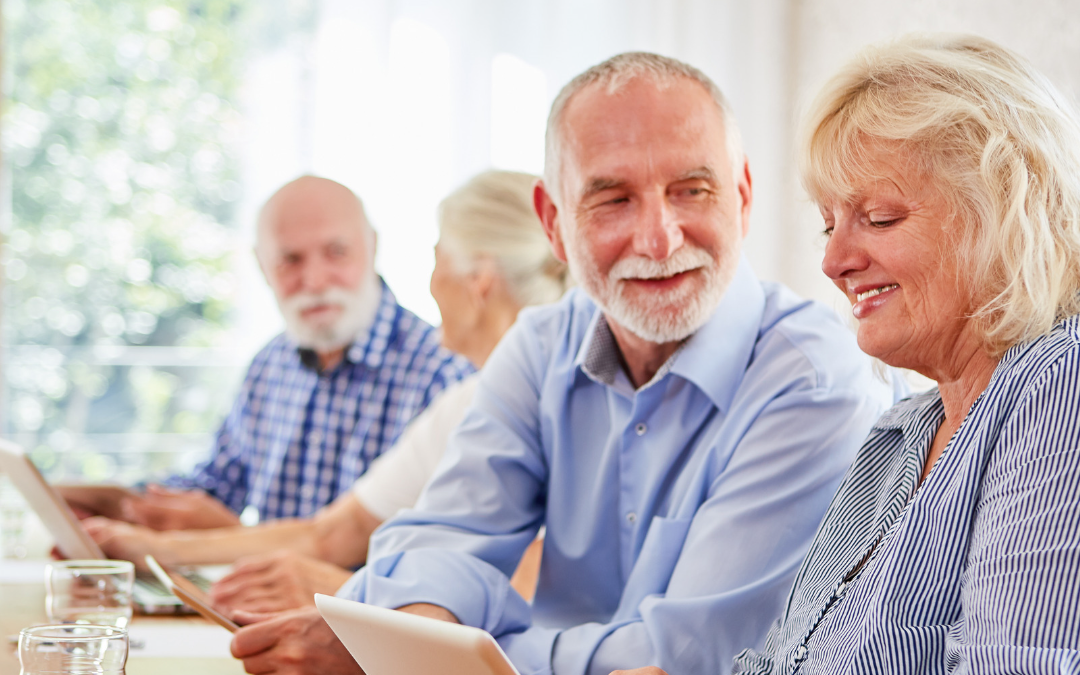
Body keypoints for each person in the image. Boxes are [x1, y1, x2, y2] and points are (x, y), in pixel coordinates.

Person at [227, 52, 902, 675]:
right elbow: (443, 541)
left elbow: (689, 656)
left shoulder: (814, 378)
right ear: (552, 221)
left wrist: (425, 653)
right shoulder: (542, 344)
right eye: (614, 198)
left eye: (693, 189)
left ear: (743, 195)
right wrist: (411, 640)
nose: (659, 237)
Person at [622, 33, 1080, 675]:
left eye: (881, 218)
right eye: (829, 223)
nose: (834, 262)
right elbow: (786, 659)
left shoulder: (1059, 387)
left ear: (1005, 212)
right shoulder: (902, 432)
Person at [83, 170, 568, 612]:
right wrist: (143, 542)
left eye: (435, 259)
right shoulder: (472, 398)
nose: (314, 280)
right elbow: (335, 532)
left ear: (477, 280)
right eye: (290, 259)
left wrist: (339, 590)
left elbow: (515, 600)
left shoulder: (483, 390)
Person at [68, 176, 474, 532]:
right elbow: (217, 484)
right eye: (289, 260)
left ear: (372, 247)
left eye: (336, 252)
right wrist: (121, 506)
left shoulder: (442, 374)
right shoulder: (271, 364)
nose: (314, 280)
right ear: (262, 267)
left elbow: (423, 556)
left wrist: (235, 537)